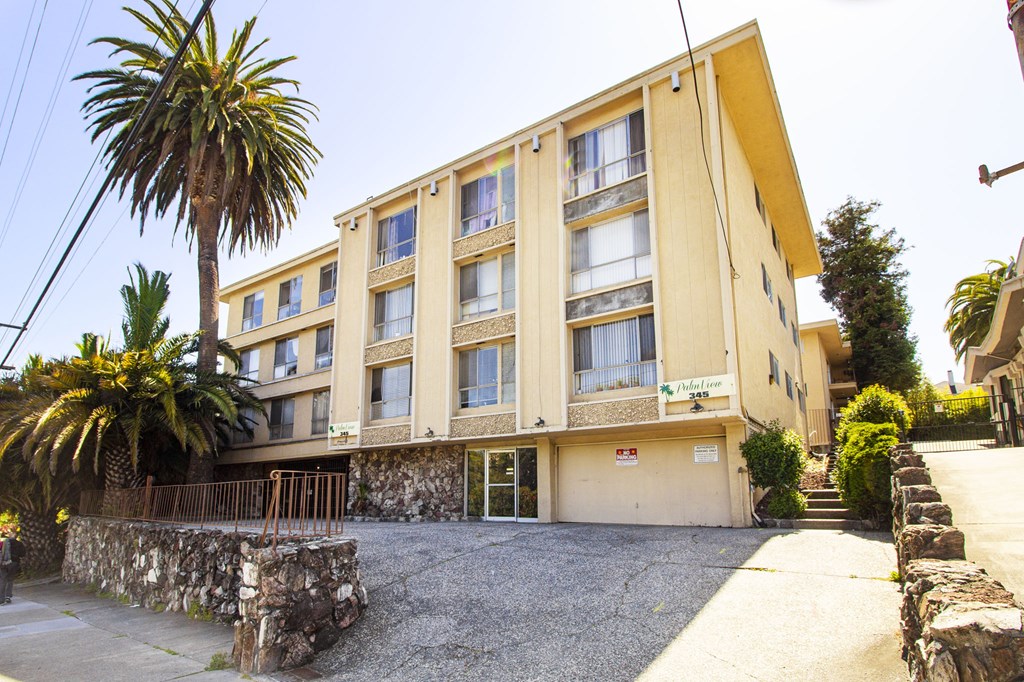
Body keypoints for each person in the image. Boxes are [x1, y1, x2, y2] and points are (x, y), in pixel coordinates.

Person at [0, 527, 22, 604]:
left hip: (3, 563)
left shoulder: (3, 543)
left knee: (2, 580)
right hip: (14, 563)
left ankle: (1, 598)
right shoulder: (19, 544)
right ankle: (8, 596)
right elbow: (23, 554)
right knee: (10, 579)